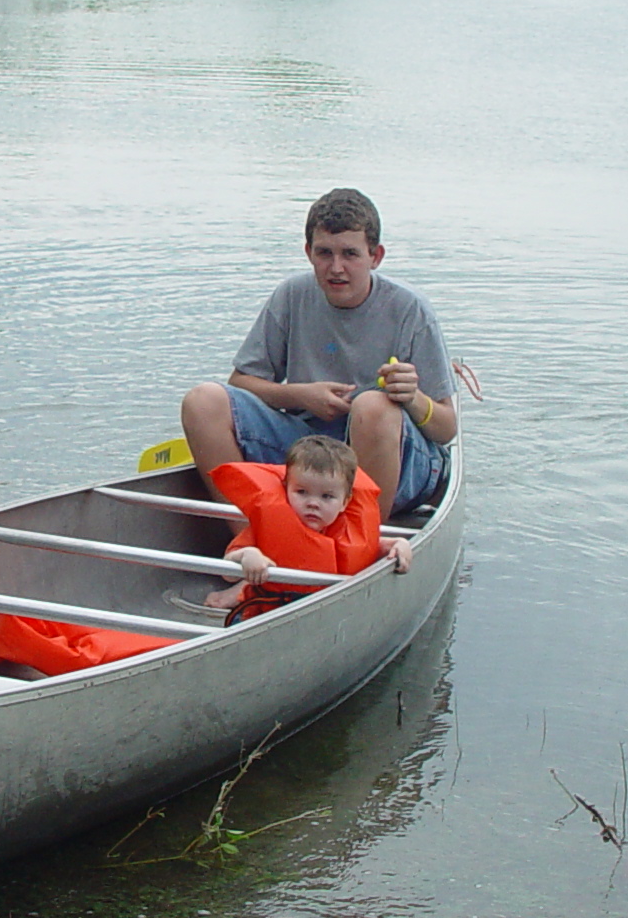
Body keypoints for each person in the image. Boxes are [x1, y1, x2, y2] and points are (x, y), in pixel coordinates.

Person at [180, 186, 457, 515]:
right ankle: (252, 537)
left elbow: (446, 428)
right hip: (309, 451)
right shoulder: (292, 295)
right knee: (202, 401)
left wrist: (412, 398)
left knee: (373, 406)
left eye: (350, 254)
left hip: (395, 455)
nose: (336, 267)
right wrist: (301, 395)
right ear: (309, 252)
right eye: (325, 253)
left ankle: (362, 543)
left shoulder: (410, 310)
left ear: (375, 256)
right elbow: (240, 381)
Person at [203, 434, 408, 620]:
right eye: (301, 492)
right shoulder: (266, 530)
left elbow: (374, 547)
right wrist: (247, 555)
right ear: (286, 490)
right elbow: (227, 572)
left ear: (345, 502)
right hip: (268, 616)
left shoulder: (348, 529)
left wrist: (398, 543)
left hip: (331, 614)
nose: (313, 503)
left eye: (326, 496)